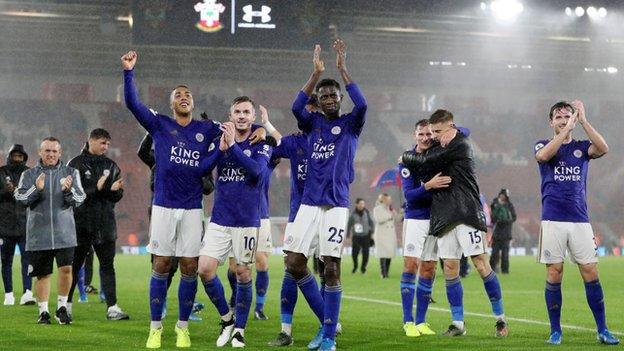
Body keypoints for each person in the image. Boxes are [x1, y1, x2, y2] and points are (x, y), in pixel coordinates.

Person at [122, 50, 224, 348]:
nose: (184, 97)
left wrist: (261, 133)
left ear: (193, 103)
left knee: (190, 267)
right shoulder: (160, 124)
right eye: (178, 94)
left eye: (188, 95)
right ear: (171, 102)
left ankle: (182, 327)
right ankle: (156, 328)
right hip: (164, 206)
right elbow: (133, 103)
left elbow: (237, 129)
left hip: (193, 208)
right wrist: (129, 72)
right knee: (162, 264)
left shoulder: (206, 129)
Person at [283, 38, 367, 351]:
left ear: (340, 99)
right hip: (308, 204)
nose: (329, 99)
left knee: (331, 267)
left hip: (335, 205)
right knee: (293, 263)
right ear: (318, 100)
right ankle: (325, 321)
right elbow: (295, 107)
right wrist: (315, 74)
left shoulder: (351, 124)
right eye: (324, 95)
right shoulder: (313, 123)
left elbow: (364, 105)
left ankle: (329, 337)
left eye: (334, 95)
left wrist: (343, 68)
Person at [402, 109, 508, 338]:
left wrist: (404, 157)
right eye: (431, 132)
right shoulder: (438, 146)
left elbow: (424, 159)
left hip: (466, 213)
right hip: (443, 217)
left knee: (481, 264)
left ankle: (500, 319)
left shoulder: (461, 144)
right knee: (450, 268)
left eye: (438, 131)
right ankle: (457, 323)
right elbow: (423, 159)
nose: (433, 136)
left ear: (451, 127)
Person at [534, 100, 618, 345]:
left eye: (567, 116)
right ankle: (555, 330)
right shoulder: (543, 144)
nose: (563, 120)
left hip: (580, 220)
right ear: (551, 122)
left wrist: (582, 121)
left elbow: (604, 148)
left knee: (591, 272)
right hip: (552, 220)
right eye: (558, 117)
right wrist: (567, 129)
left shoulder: (582, 147)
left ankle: (602, 329)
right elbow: (543, 156)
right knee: (554, 272)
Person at [197, 97, 272, 348]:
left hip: (248, 220)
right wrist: (221, 148)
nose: (241, 116)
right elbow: (203, 168)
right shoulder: (223, 139)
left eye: (246, 112)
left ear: (253, 117)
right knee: (205, 269)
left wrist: (233, 148)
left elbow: (257, 173)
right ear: (231, 115)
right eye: (237, 112)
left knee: (242, 274)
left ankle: (240, 330)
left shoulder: (261, 142)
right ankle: (227, 320)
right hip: (220, 219)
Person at [137, 131, 211, 321]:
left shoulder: (200, 160)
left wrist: (194, 177)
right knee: (163, 263)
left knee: (189, 264)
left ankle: (188, 305)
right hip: (162, 213)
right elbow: (142, 152)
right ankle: (160, 302)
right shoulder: (163, 157)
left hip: (191, 214)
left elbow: (209, 187)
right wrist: (151, 131)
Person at [14, 137, 85, 324]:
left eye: (54, 151)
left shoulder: (71, 173)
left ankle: (62, 308)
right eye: (47, 151)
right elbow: (20, 197)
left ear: (60, 153)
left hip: (65, 233)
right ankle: (43, 312)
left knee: (67, 270)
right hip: (39, 234)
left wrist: (68, 191)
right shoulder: (29, 174)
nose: (51, 154)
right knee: (43, 274)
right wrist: (36, 190)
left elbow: (80, 199)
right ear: (40, 152)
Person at [399, 119, 456, 337]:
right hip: (415, 219)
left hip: (436, 218)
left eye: (428, 135)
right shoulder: (407, 160)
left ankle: (422, 321)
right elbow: (409, 196)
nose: (424, 138)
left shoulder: (438, 156)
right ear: (414, 135)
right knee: (411, 265)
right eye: (420, 134)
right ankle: (408, 322)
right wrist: (428, 186)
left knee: (429, 268)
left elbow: (464, 132)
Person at [66, 128, 129, 320]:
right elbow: (73, 195)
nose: (106, 147)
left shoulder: (111, 165)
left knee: (107, 265)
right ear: (91, 141)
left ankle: (113, 307)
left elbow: (117, 195)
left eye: (108, 144)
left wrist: (113, 190)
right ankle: (65, 305)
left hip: (105, 223)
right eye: (102, 143)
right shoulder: (74, 164)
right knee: (74, 266)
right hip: (81, 224)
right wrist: (98, 188)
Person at [0, 144, 36, 306]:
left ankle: (27, 293)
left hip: (25, 225)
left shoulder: (29, 173)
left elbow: (35, 195)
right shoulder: (1, 172)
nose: (17, 159)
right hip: (4, 226)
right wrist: (4, 192)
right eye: (14, 156)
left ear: (24, 157)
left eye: (20, 156)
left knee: (27, 261)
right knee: (6, 261)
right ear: (9, 156)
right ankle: (9, 294)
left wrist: (17, 192)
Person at [489, 188, 516, 274]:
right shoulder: (495, 204)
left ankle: (505, 271)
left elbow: (514, 218)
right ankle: (491, 271)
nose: (502, 197)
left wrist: (505, 221)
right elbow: (492, 218)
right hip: (497, 234)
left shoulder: (509, 206)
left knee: (505, 255)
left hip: (506, 234)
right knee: (494, 254)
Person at [346, 198, 374, 274]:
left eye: (363, 204)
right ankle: (355, 266)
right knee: (354, 253)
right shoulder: (353, 214)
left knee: (366, 254)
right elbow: (349, 225)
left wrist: (372, 233)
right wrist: (348, 236)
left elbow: (371, 223)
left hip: (366, 236)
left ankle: (363, 268)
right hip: (356, 236)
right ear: (357, 204)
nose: (362, 205)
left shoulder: (367, 213)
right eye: (361, 204)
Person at [372, 193, 397, 279]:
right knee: (383, 254)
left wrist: (400, 212)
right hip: (382, 235)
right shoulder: (377, 209)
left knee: (389, 254)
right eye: (388, 199)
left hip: (390, 235)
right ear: (383, 199)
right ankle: (383, 273)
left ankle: (387, 272)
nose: (390, 201)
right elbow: (379, 219)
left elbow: (396, 219)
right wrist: (390, 215)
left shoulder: (390, 209)